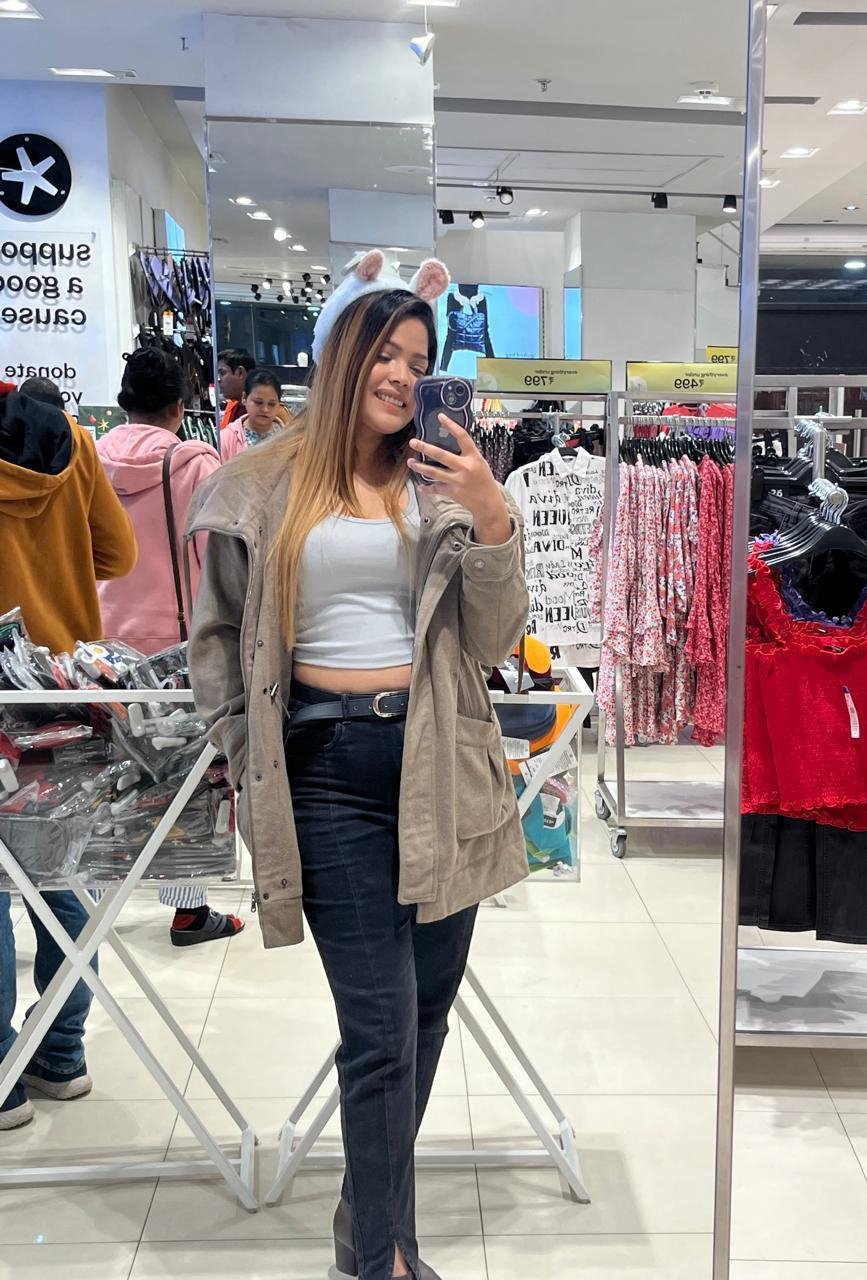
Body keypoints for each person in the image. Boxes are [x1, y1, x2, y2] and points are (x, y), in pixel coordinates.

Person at [188, 249, 529, 1280]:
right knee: (379, 1028)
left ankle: (373, 1228)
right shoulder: (264, 482)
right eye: (385, 352)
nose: (401, 374)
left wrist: (492, 518)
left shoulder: (443, 480)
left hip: (441, 760)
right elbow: (218, 636)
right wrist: (244, 751)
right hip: (328, 765)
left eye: (419, 360)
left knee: (422, 1018)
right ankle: (377, 1260)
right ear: (343, 356)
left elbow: (493, 637)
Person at [0, 379, 137, 1131]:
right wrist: (57, 564)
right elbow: (118, 552)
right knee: (62, 874)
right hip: (63, 687)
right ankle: (59, 1052)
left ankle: (2, 1074)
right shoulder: (75, 443)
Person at [95, 349, 244, 948]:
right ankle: (188, 910)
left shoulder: (88, 458)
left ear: (124, 401)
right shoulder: (196, 464)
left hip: (100, 645)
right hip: (175, 648)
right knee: (183, 781)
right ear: (180, 408)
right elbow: (217, 560)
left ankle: (95, 895)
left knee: (106, 773)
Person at [218, 368, 286, 461]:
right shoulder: (226, 438)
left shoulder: (289, 438)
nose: (265, 409)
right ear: (244, 398)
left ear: (279, 404)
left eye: (271, 404)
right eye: (258, 402)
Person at [216, 348, 256, 430]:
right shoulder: (231, 408)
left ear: (240, 373)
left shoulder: (267, 411)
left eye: (222, 373)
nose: (218, 379)